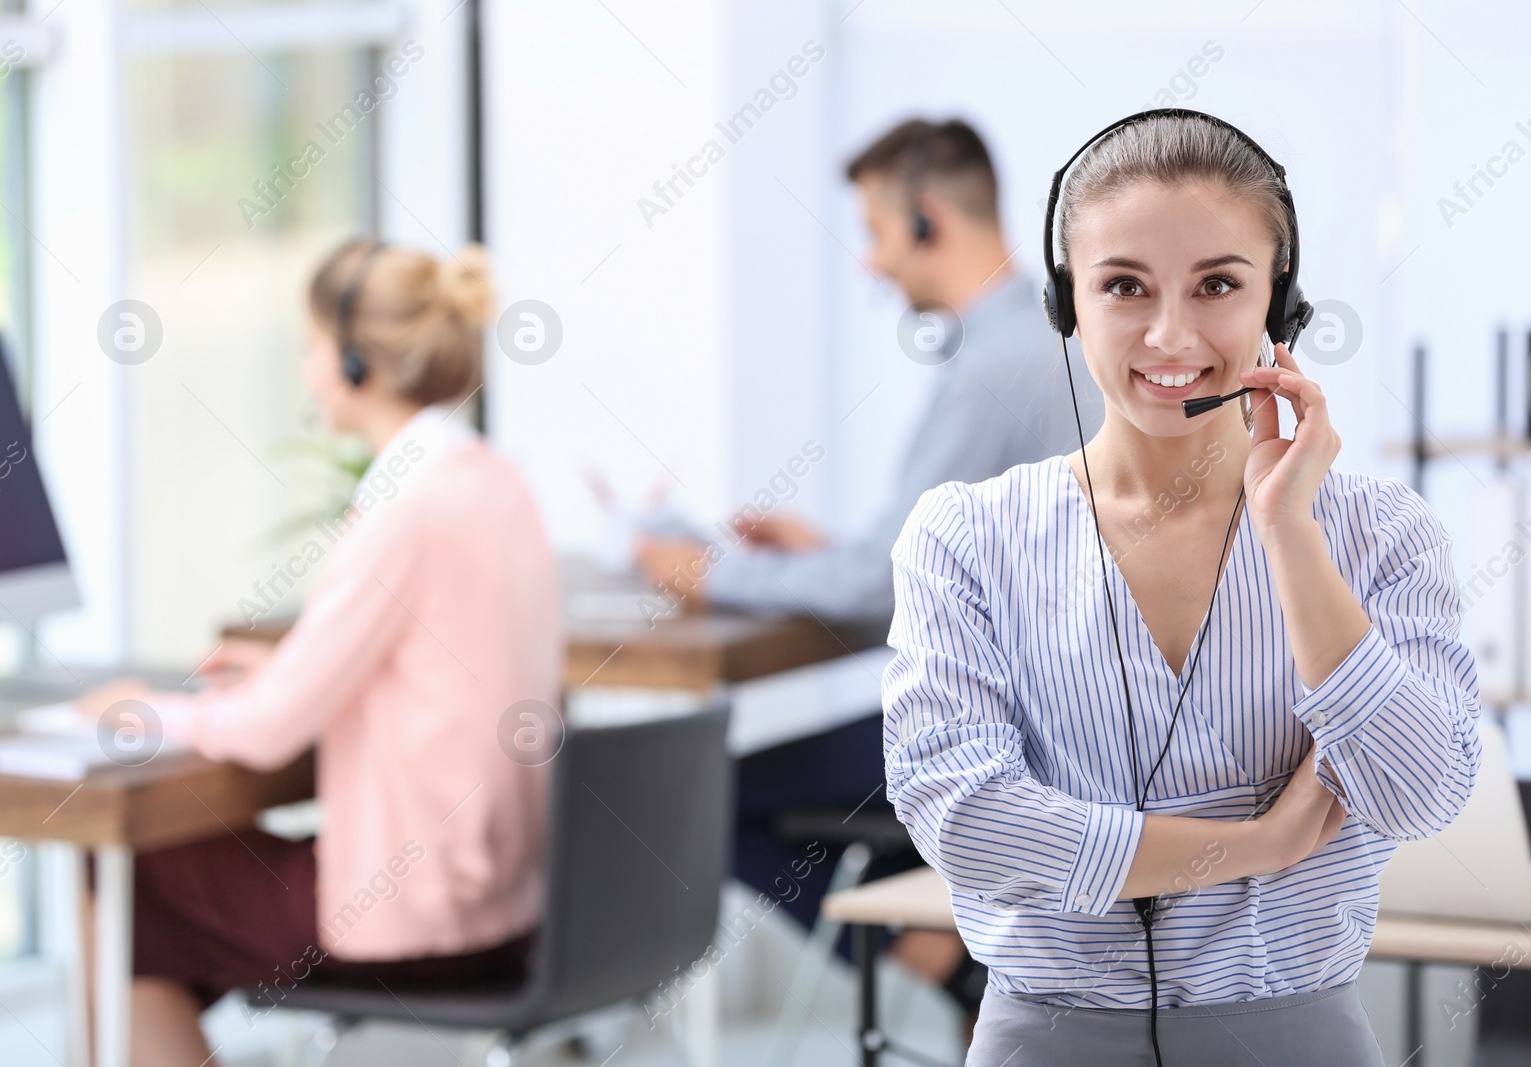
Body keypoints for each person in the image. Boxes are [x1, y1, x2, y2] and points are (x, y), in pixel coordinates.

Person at [884, 110, 1483, 1066]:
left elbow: (1417, 795)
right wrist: (1257, 846)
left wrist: (1290, 535)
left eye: (1218, 284)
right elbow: (967, 822)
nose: (1171, 333)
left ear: (1280, 307)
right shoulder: (966, 538)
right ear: (1065, 303)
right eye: (1123, 285)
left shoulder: (1378, 532)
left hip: (1302, 1032)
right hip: (1045, 1038)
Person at [636, 118, 1102, 1010]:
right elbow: (946, 549)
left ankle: (949, 963)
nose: (872, 264)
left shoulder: (994, 367)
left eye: (878, 233)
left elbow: (881, 587)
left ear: (929, 221)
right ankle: (955, 936)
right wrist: (838, 549)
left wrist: (709, 573)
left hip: (1002, 730)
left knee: (710, 792)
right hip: (1060, 715)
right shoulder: (1056, 335)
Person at [77, 238, 562, 1066]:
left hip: (413, 915)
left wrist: (138, 709)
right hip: (509, 902)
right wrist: (291, 673)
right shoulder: (492, 480)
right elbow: (441, 663)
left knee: (121, 881)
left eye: (309, 347)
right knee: (158, 919)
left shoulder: (403, 509)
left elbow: (268, 733)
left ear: (352, 360)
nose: (306, 370)